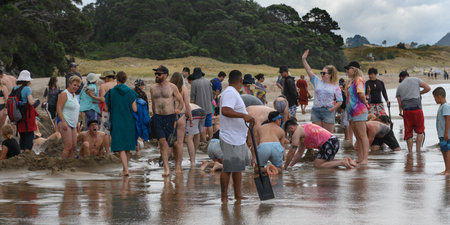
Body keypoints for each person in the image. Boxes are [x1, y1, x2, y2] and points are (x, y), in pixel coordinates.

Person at [219, 69, 254, 202]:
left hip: (237, 137)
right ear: (240, 81)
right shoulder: (230, 93)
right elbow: (225, 110)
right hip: (230, 136)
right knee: (228, 167)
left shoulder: (232, 92)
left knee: (237, 167)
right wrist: (244, 115)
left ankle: (238, 194)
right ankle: (224, 197)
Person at [150, 65, 183, 177]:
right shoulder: (152, 87)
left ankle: (178, 164)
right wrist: (153, 116)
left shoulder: (172, 87)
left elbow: (181, 101)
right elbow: (153, 103)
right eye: (155, 74)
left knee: (174, 143)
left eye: (159, 74)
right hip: (158, 118)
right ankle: (166, 168)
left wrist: (178, 109)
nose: (156, 76)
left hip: (170, 118)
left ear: (165, 75)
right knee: (162, 142)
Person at [283, 119, 357, 169]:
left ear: (291, 128)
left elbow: (292, 151)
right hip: (333, 141)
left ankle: (342, 162)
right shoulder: (303, 129)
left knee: (317, 164)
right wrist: (290, 166)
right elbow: (299, 152)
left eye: (289, 133)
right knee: (324, 162)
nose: (290, 135)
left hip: (328, 142)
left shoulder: (297, 132)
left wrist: (285, 167)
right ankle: (348, 161)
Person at [105, 71, 138, 176]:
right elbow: (135, 109)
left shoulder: (110, 92)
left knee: (120, 147)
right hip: (129, 121)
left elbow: (106, 108)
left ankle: (125, 169)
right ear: (126, 79)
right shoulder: (131, 92)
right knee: (127, 147)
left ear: (116, 79)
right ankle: (125, 169)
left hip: (116, 121)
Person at [302, 50, 343, 132]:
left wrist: (332, 109)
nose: (322, 74)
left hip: (328, 110)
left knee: (327, 135)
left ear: (330, 75)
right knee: (317, 134)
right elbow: (309, 70)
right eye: (321, 73)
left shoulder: (335, 86)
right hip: (316, 110)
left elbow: (340, 101)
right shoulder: (317, 81)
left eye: (324, 73)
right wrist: (304, 59)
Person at [396, 71, 430, 152]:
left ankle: (410, 152)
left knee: (408, 133)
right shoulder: (416, 80)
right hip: (417, 109)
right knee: (420, 131)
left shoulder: (399, 87)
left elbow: (400, 103)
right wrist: (419, 93)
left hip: (407, 111)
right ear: (408, 75)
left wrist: (400, 112)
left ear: (401, 77)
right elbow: (428, 88)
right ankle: (418, 151)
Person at [345, 61, 370, 164]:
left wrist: (366, 103)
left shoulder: (359, 80)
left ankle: (365, 158)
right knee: (358, 136)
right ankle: (360, 158)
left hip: (359, 110)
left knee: (362, 135)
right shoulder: (352, 81)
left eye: (348, 69)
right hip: (352, 111)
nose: (347, 71)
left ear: (354, 69)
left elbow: (361, 94)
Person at [169, 72, 193, 172]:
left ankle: (167, 163)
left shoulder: (168, 88)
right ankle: (178, 165)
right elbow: (187, 105)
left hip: (170, 116)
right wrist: (190, 118)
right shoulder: (184, 89)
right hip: (181, 116)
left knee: (170, 142)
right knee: (179, 143)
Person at [14, 70, 40, 152]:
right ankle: (27, 153)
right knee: (29, 135)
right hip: (27, 116)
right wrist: (36, 101)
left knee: (22, 136)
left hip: (18, 115)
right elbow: (30, 102)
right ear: (27, 80)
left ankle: (21, 152)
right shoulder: (27, 89)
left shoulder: (14, 89)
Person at [57, 75, 81, 159]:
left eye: (78, 86)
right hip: (65, 122)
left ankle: (70, 165)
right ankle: (61, 164)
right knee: (68, 147)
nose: (76, 87)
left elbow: (75, 110)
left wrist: (77, 122)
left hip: (73, 124)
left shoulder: (74, 95)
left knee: (74, 146)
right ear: (69, 84)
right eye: (74, 85)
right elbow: (58, 108)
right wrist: (63, 122)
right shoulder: (64, 94)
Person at [190, 67, 214, 142]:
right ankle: (211, 140)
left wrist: (191, 109)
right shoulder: (208, 82)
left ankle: (204, 142)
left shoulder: (194, 83)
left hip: (199, 109)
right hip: (209, 108)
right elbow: (211, 96)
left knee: (202, 126)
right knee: (209, 125)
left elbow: (192, 98)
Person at [433, 87, 450, 175]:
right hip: (442, 133)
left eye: (435, 98)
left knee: (447, 151)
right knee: (443, 150)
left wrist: (446, 133)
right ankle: (446, 168)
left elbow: (448, 120)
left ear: (439, 96)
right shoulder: (442, 106)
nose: (435, 100)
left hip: (445, 134)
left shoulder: (446, 106)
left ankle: (448, 169)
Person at [98, 71, 116, 151]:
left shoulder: (103, 86)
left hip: (107, 110)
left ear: (107, 78)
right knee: (115, 130)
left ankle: (107, 151)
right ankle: (116, 149)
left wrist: (93, 97)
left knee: (105, 132)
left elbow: (103, 99)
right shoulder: (118, 85)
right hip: (117, 111)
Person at [185, 103, 205, 168]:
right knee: (197, 133)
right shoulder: (187, 102)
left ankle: (192, 161)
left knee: (188, 139)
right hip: (202, 111)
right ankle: (194, 155)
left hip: (193, 113)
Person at [133, 78, 149, 157]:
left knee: (135, 130)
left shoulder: (131, 92)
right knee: (141, 128)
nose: (143, 87)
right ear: (140, 85)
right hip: (141, 114)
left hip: (133, 114)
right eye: (142, 85)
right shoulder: (142, 94)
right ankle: (139, 149)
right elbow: (146, 105)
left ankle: (137, 149)